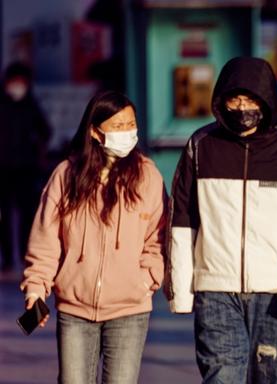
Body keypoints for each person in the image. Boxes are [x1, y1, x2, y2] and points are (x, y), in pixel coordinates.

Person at [165, 57, 277, 383]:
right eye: (234, 99)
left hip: (276, 294)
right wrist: (181, 290)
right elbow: (181, 219)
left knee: (271, 378)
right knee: (221, 377)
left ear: (267, 101)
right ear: (220, 101)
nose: (242, 107)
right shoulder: (201, 146)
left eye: (251, 99)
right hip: (215, 291)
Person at [20, 90, 165, 383]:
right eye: (118, 126)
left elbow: (158, 238)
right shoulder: (67, 174)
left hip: (129, 309)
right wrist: (36, 287)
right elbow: (46, 240)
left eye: (131, 124)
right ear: (95, 132)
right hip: (75, 310)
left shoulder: (147, 176)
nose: (128, 132)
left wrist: (147, 279)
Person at [0, 62, 51, 272]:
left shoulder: (31, 106)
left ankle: (24, 253)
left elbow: (46, 131)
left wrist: (36, 146)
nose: (18, 86)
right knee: (4, 215)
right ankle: (8, 258)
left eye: (22, 81)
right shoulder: (1, 105)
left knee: (27, 214)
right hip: (2, 169)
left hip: (26, 169)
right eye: (15, 81)